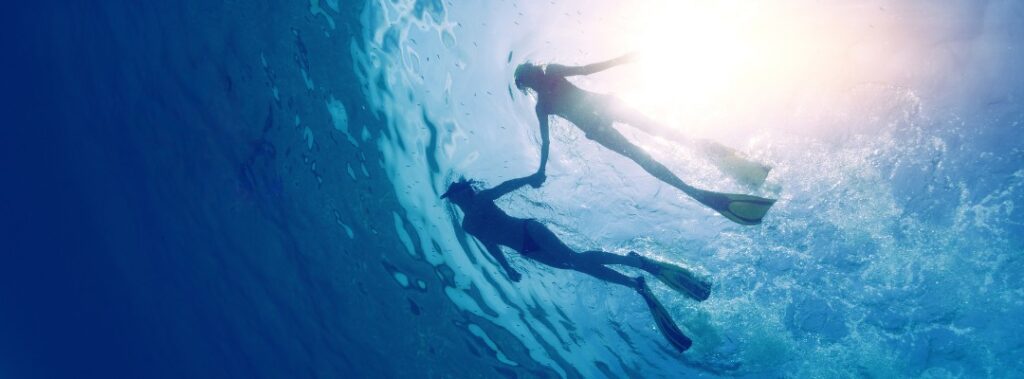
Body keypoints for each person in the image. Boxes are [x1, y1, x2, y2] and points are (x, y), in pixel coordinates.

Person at [442, 175, 712, 352]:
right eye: (455, 196)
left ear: (467, 190)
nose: (459, 197)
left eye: (460, 192)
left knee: (573, 258)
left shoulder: (483, 199)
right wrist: (508, 268)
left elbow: (506, 187)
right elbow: (491, 245)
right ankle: (635, 283)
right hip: (526, 249)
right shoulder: (468, 225)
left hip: (530, 231)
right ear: (454, 199)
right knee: (576, 264)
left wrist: (532, 177)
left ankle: (635, 262)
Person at [514, 54, 776, 225]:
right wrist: (540, 170)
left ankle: (704, 178)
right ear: (530, 81)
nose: (535, 76)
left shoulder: (549, 81)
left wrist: (621, 60)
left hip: (602, 113)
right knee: (649, 150)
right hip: (600, 118)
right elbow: (547, 141)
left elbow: (586, 70)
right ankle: (694, 190)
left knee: (660, 138)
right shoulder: (544, 101)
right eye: (531, 76)